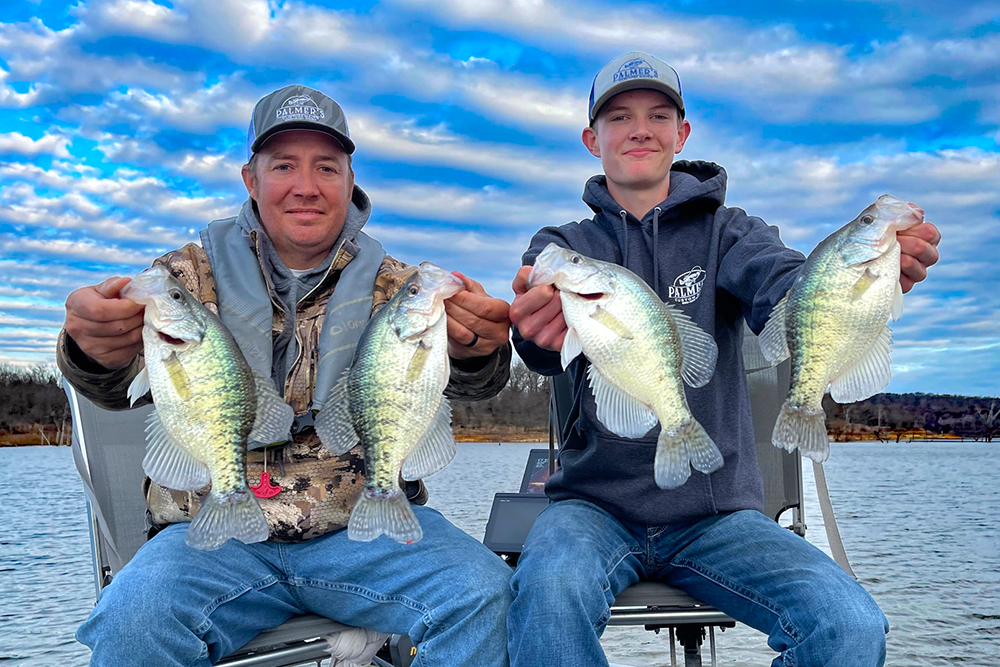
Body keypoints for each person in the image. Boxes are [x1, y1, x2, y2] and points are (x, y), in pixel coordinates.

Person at [507, 52, 941, 667]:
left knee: (849, 624)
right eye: (619, 117)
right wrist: (533, 334)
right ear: (591, 139)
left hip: (717, 516)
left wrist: (854, 283)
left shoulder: (731, 232)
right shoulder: (564, 245)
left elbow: (786, 285)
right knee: (548, 598)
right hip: (590, 507)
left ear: (682, 134)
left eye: (659, 115)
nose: (640, 130)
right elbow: (538, 351)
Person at [58, 84, 514, 667]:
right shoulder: (182, 280)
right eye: (283, 166)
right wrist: (92, 350)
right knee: (131, 619)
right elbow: (112, 388)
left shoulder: (401, 290)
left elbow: (473, 386)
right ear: (251, 179)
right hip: (209, 538)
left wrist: (480, 352)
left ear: (350, 181)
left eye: (326, 166)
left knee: (487, 595)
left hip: (369, 532)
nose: (306, 185)